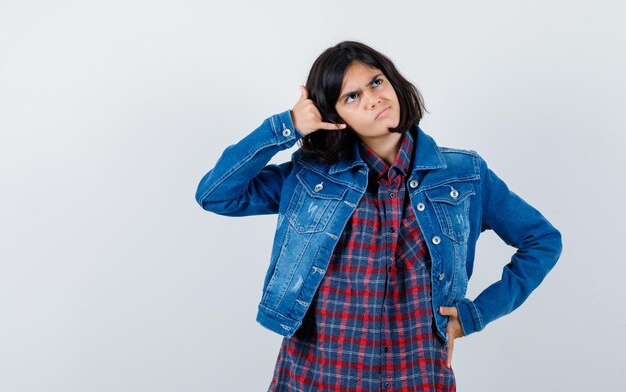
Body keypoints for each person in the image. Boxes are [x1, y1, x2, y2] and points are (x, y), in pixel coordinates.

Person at [195, 41, 562, 391]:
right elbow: (216, 195)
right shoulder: (310, 175)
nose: (373, 99)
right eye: (351, 96)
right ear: (332, 116)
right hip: (318, 373)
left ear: (393, 82)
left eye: (376, 81)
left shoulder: (464, 173)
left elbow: (541, 240)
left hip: (418, 374)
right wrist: (286, 125)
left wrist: (476, 314)